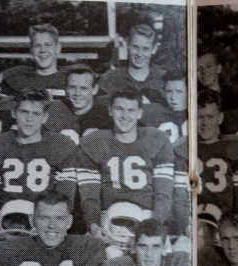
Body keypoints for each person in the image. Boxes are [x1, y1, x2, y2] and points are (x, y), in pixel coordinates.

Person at [0, 88, 79, 266]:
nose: (29, 119)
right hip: (6, 223)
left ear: (45, 117)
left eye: (36, 114)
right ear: (14, 112)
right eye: (24, 112)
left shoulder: (60, 145)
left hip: (46, 223)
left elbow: (65, 198)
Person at [74, 87, 174, 233]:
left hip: (147, 217)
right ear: (110, 110)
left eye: (131, 110)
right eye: (119, 109)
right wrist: (94, 225)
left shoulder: (157, 140)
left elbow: (163, 194)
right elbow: (90, 196)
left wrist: (154, 225)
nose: (124, 116)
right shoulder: (94, 142)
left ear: (140, 113)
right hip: (109, 217)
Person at [196, 89, 238, 231]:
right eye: (199, 117)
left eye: (210, 117)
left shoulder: (237, 147)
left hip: (227, 222)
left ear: (220, 118)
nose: (205, 123)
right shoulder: (184, 149)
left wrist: (236, 226)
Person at [43, 64, 113, 144]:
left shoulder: (107, 116)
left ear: (95, 89)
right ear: (66, 88)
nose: (77, 93)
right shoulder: (54, 110)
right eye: (72, 87)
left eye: (83, 88)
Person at [98, 24, 165, 104]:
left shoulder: (164, 79)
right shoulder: (110, 78)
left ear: (154, 49)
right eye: (135, 47)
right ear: (127, 44)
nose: (139, 54)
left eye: (145, 49)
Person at [3, 24, 67, 98]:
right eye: (37, 46)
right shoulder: (18, 79)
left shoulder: (69, 79)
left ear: (58, 48)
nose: (42, 50)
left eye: (48, 45)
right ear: (31, 49)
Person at [141, 70, 187, 143]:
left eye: (179, 92)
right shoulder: (154, 112)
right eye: (169, 91)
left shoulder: (197, 113)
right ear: (164, 92)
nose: (173, 97)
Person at [197, 46, 238, 112]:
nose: (204, 72)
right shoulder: (193, 99)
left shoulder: (234, 97)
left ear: (219, 68)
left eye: (208, 66)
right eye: (199, 69)